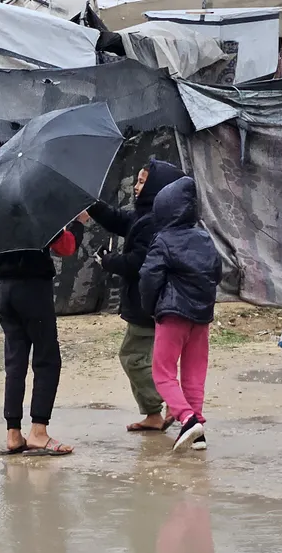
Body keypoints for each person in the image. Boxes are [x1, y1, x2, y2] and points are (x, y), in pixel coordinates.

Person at [80, 160, 186, 433]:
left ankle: (168, 405)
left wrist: (108, 261)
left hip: (147, 305)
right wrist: (92, 203)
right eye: (137, 181)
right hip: (148, 304)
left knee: (134, 358)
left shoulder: (153, 222)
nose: (136, 188)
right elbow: (119, 219)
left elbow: (137, 262)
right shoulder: (147, 214)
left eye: (142, 182)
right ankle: (155, 412)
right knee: (147, 359)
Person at [139, 177, 222, 452]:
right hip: (201, 317)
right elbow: (217, 272)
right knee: (194, 375)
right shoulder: (205, 238)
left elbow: (149, 277)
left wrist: (150, 307)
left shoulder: (162, 240)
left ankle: (186, 420)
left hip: (172, 315)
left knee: (162, 373)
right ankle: (198, 434)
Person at [0, 223, 81, 457]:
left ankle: (13, 433)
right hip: (33, 287)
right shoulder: (38, 211)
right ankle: (38, 431)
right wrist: (78, 225)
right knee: (46, 359)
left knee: (15, 363)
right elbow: (66, 247)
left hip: (5, 289)